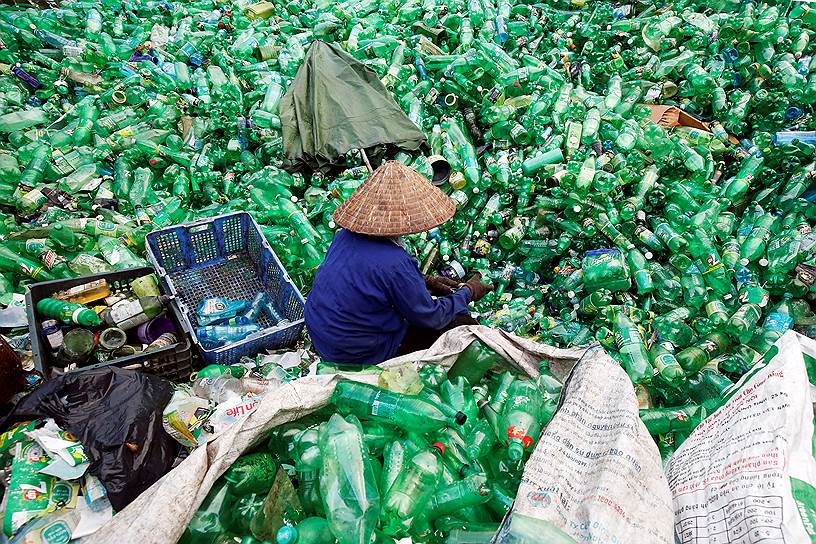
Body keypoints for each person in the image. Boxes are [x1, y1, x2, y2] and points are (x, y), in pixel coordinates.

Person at [305, 161, 494, 365]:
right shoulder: (395, 262)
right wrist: (468, 292)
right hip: (357, 353)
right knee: (461, 324)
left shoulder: (343, 236)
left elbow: (368, 279)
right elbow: (431, 317)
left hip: (323, 337)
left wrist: (424, 281)